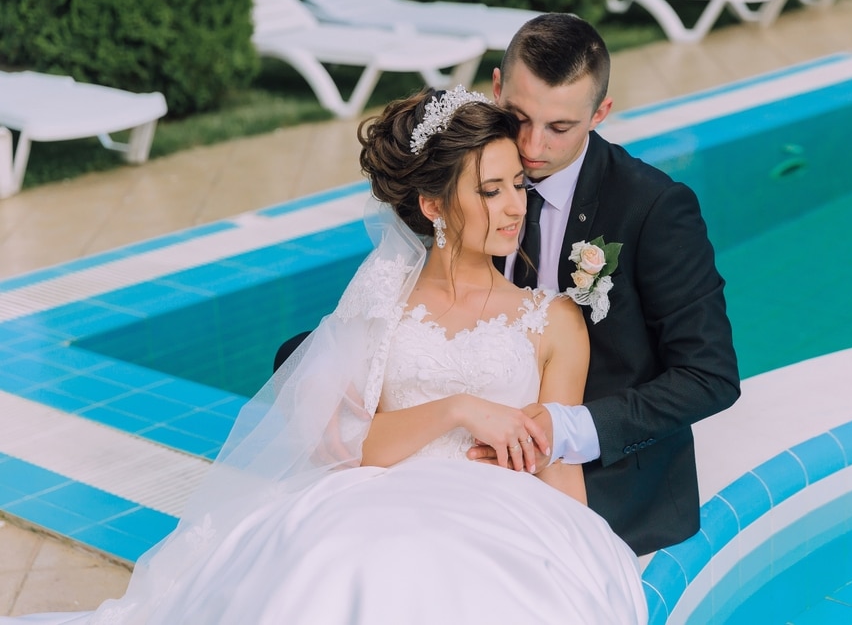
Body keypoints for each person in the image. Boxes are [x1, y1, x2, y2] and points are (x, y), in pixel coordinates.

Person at [0, 89, 647, 624]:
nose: (514, 207)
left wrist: (581, 551)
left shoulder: (553, 321)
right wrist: (459, 409)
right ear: (431, 205)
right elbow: (352, 444)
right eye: (489, 191)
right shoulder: (382, 301)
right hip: (380, 498)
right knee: (346, 567)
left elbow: (561, 474)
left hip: (504, 519)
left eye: (516, 185)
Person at [467, 13, 741, 559]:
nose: (530, 144)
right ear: (496, 87)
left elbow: (710, 376)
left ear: (600, 114)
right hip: (472, 452)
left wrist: (567, 428)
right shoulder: (463, 176)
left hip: (605, 479)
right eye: (517, 116)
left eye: (559, 127)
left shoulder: (655, 209)